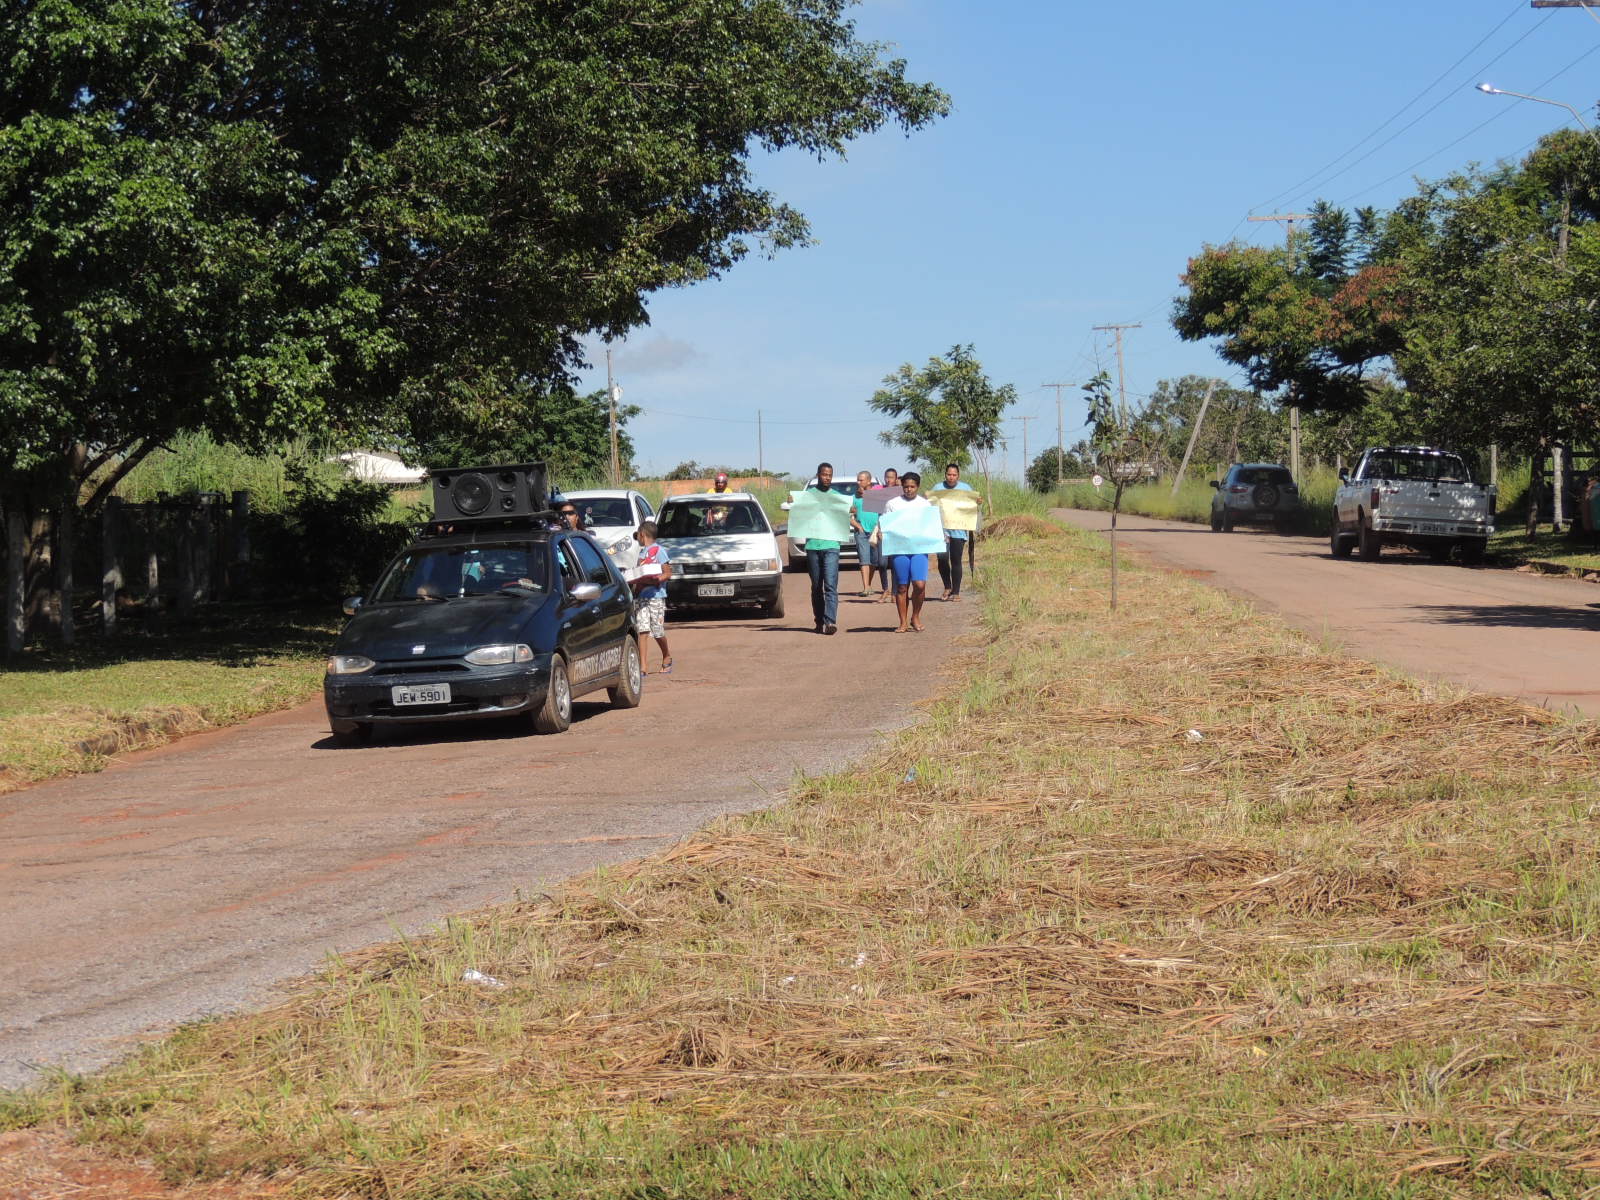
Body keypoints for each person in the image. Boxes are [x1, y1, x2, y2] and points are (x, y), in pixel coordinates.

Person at [884, 471, 930, 633]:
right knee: (902, 586)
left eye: (912, 486)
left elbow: (929, 526)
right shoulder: (892, 504)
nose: (909, 489)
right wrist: (883, 532)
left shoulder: (925, 504)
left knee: (919, 584)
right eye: (906, 486)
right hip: (900, 549)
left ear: (918, 486)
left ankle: (915, 616)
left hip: (919, 549)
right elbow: (886, 524)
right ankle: (903, 622)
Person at [629, 520, 673, 674]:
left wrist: (656, 580)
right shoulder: (641, 554)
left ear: (642, 534)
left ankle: (666, 655)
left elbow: (667, 573)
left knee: (657, 630)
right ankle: (643, 667)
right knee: (642, 630)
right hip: (641, 596)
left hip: (656, 596)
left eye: (638, 536)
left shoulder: (659, 551)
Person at [805, 461, 841, 635]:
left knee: (831, 586)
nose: (827, 477)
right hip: (813, 545)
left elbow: (845, 514)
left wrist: (852, 510)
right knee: (816, 586)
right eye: (824, 474)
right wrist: (792, 503)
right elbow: (798, 515)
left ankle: (830, 621)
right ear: (818, 475)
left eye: (829, 475)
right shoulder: (808, 495)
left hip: (832, 545)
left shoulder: (837, 497)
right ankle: (819, 620)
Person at [932, 462, 974, 602]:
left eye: (954, 475)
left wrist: (977, 502)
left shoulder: (965, 488)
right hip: (941, 531)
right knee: (942, 559)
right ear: (945, 475)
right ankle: (947, 587)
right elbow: (930, 508)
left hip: (958, 530)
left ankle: (956, 592)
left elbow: (971, 506)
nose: (951, 477)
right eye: (949, 474)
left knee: (956, 560)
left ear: (958, 475)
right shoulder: (938, 488)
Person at [850, 469, 880, 595]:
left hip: (875, 531)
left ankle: (869, 584)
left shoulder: (877, 495)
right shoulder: (854, 498)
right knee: (864, 559)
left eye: (861, 480)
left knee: (874, 560)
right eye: (857, 479)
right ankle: (866, 587)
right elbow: (848, 515)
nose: (858, 482)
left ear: (869, 481)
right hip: (861, 532)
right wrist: (857, 525)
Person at [873, 470, 899, 602]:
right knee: (882, 563)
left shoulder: (900, 493)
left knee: (894, 563)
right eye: (887, 477)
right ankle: (885, 589)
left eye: (891, 477)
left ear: (896, 478)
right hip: (882, 530)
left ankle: (894, 592)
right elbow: (869, 494)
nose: (889, 480)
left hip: (895, 532)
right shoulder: (879, 490)